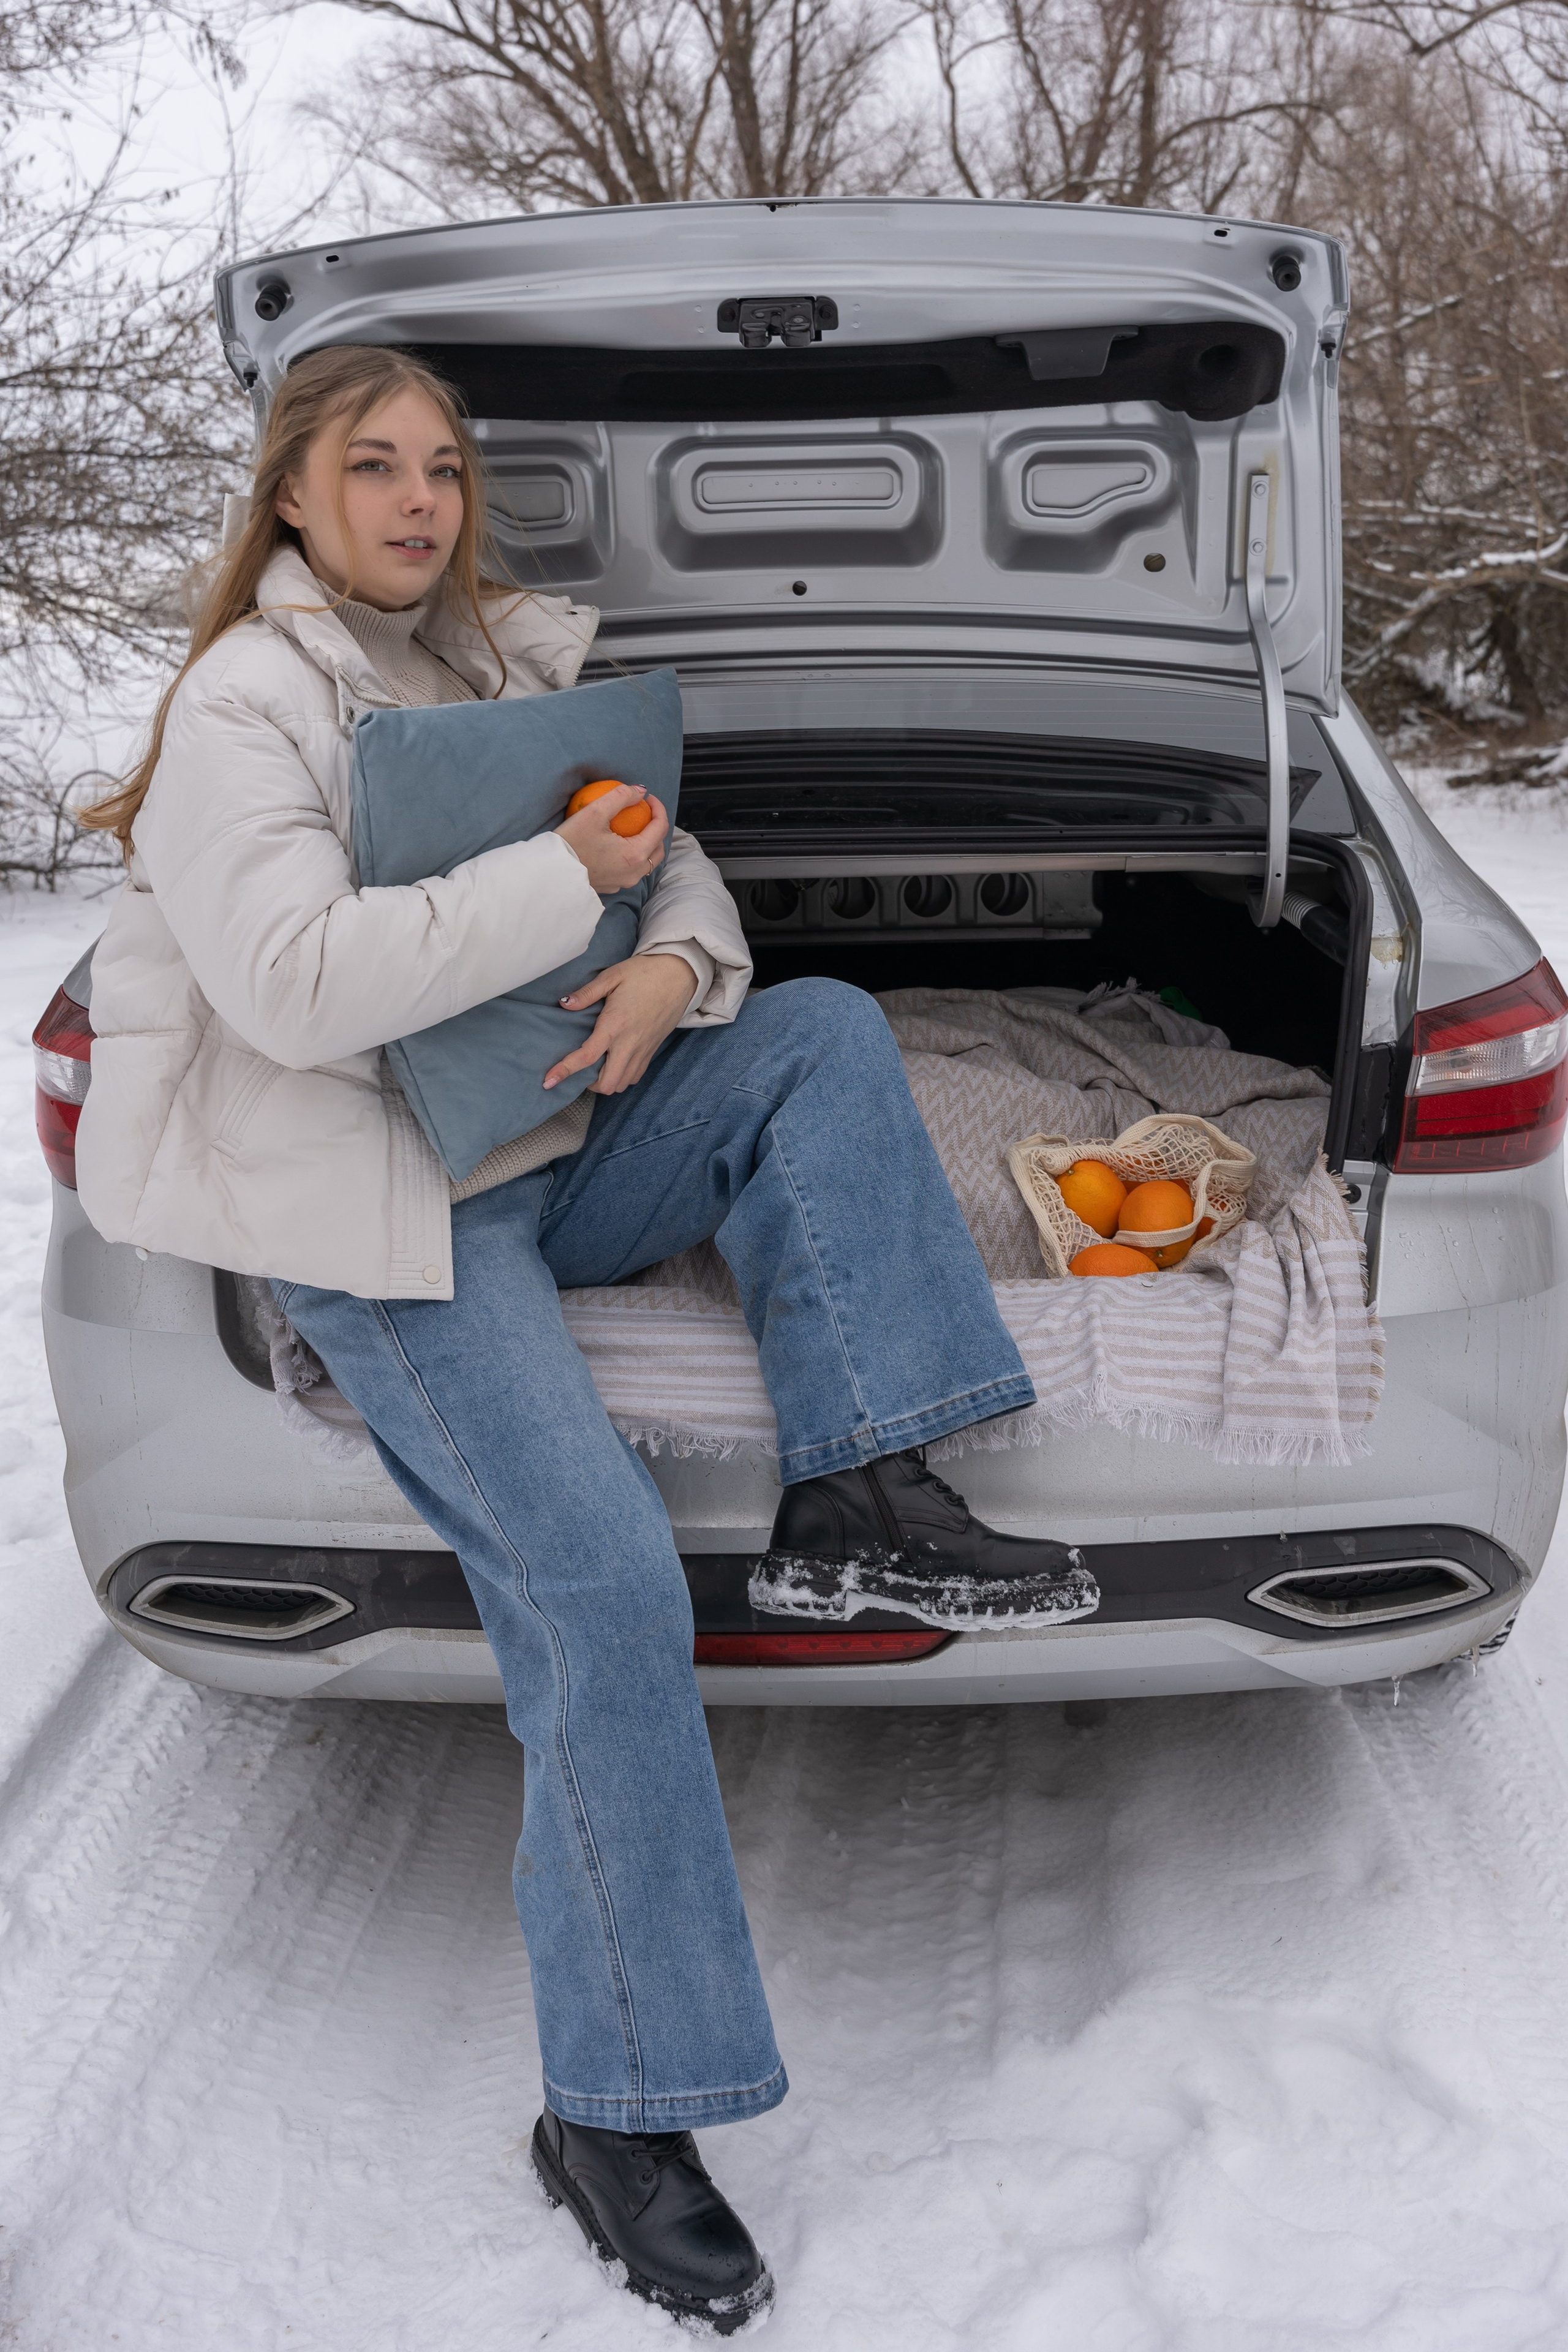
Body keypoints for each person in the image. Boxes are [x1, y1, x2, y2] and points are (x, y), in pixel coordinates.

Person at [75, 344, 1099, 2334]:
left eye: (444, 469)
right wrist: (571, 877)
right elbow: (290, 987)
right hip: (392, 1219)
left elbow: (670, 853)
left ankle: (860, 1482)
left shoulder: (501, 666)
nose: (418, 501)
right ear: (290, 495)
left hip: (558, 1133)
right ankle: (616, 2112)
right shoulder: (245, 705)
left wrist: (672, 971)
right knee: (608, 1590)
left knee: (817, 1029)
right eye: (372, 467)